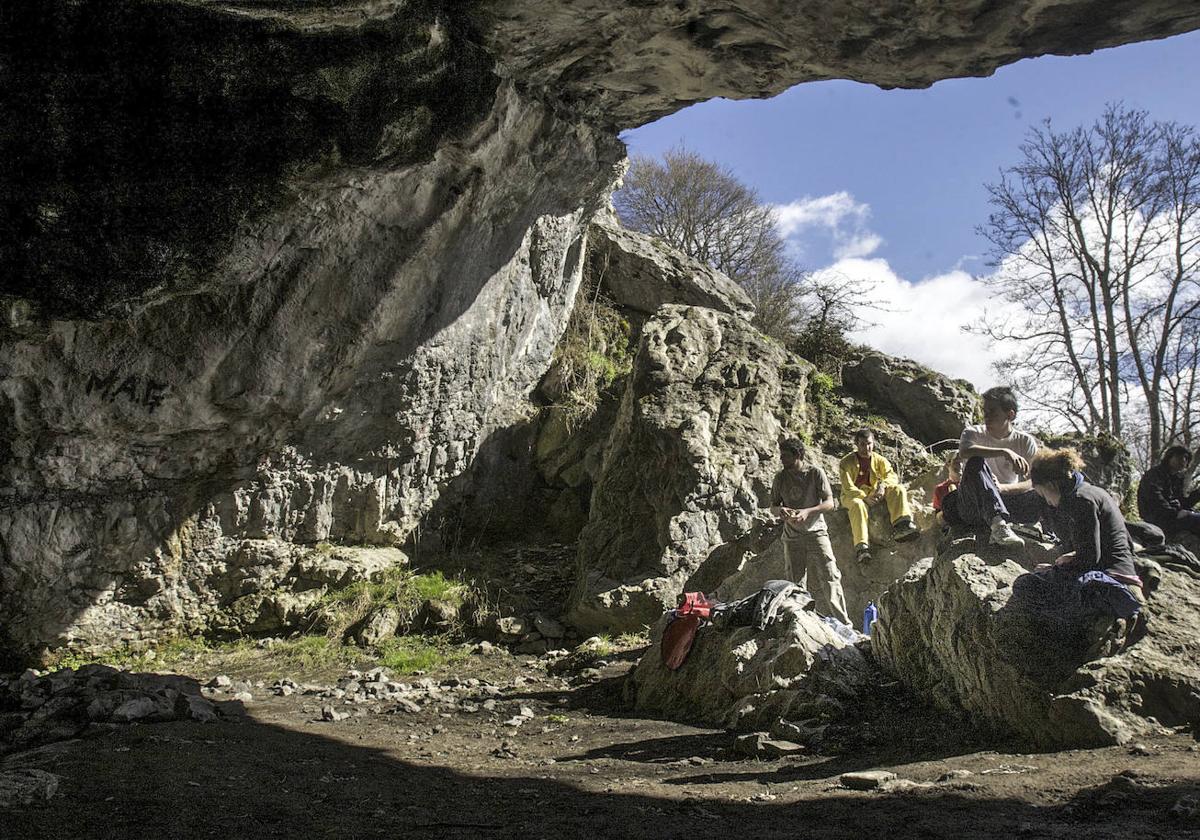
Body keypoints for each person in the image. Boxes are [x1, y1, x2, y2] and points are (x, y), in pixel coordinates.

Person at [942, 386, 1043, 547]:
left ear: (1010, 415)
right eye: (985, 412)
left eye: (993, 413)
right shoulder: (973, 432)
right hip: (973, 504)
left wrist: (1002, 488)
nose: (986, 417)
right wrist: (1004, 451)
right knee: (976, 461)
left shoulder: (1025, 441)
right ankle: (998, 526)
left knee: (1044, 493)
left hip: (1007, 500)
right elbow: (966, 451)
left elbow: (1035, 480)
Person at [769, 437, 852, 625]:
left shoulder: (815, 473)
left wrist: (808, 511)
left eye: (786, 456)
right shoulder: (780, 478)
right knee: (794, 583)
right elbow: (773, 506)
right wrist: (780, 511)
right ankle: (800, 621)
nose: (782, 460)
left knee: (830, 575)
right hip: (792, 536)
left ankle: (844, 623)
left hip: (816, 532)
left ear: (797, 455)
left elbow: (830, 503)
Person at [838, 429, 919, 563]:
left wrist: (883, 486)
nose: (866, 447)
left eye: (869, 443)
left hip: (874, 492)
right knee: (858, 506)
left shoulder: (879, 459)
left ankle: (902, 524)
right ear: (856, 444)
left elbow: (891, 475)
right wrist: (864, 497)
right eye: (863, 444)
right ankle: (862, 547)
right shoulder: (846, 462)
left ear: (873, 443)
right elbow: (848, 487)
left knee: (897, 489)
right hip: (852, 496)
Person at [1137, 445, 1200, 538]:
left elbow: (1182, 503)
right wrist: (1175, 513)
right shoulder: (1155, 474)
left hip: (1173, 517)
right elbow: (1154, 498)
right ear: (1170, 457)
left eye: (1186, 458)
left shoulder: (1177, 479)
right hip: (1157, 518)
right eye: (1179, 456)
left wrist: (1198, 494)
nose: (1183, 460)